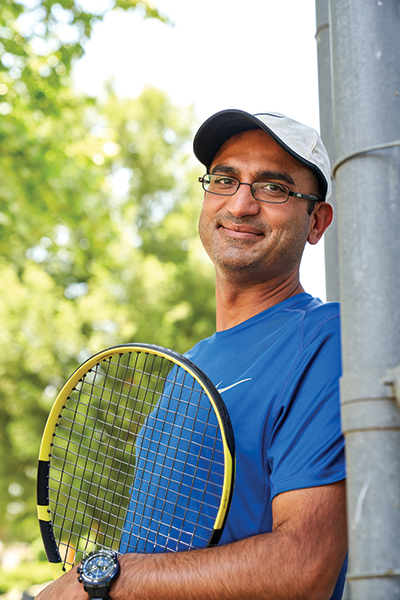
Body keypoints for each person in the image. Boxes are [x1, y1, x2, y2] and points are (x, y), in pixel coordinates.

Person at [36, 109, 347, 600]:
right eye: (225, 180)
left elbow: (305, 566)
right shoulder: (187, 369)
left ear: (316, 221)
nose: (241, 204)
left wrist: (109, 578)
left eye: (274, 188)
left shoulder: (328, 341)